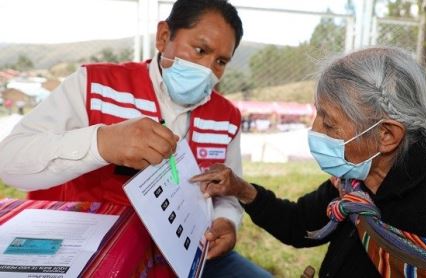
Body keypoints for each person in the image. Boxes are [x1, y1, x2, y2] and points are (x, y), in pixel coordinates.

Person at [0, 0, 270, 277]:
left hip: (191, 252)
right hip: (98, 249)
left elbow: (227, 193)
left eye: (220, 62)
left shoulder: (227, 118)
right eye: (200, 50)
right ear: (164, 37)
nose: (207, 69)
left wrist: (226, 221)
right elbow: (9, 161)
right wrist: (101, 143)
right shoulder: (96, 87)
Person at [191, 47, 426, 277]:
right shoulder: (357, 181)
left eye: (329, 123)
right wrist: (242, 190)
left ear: (386, 135)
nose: (314, 131)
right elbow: (301, 223)